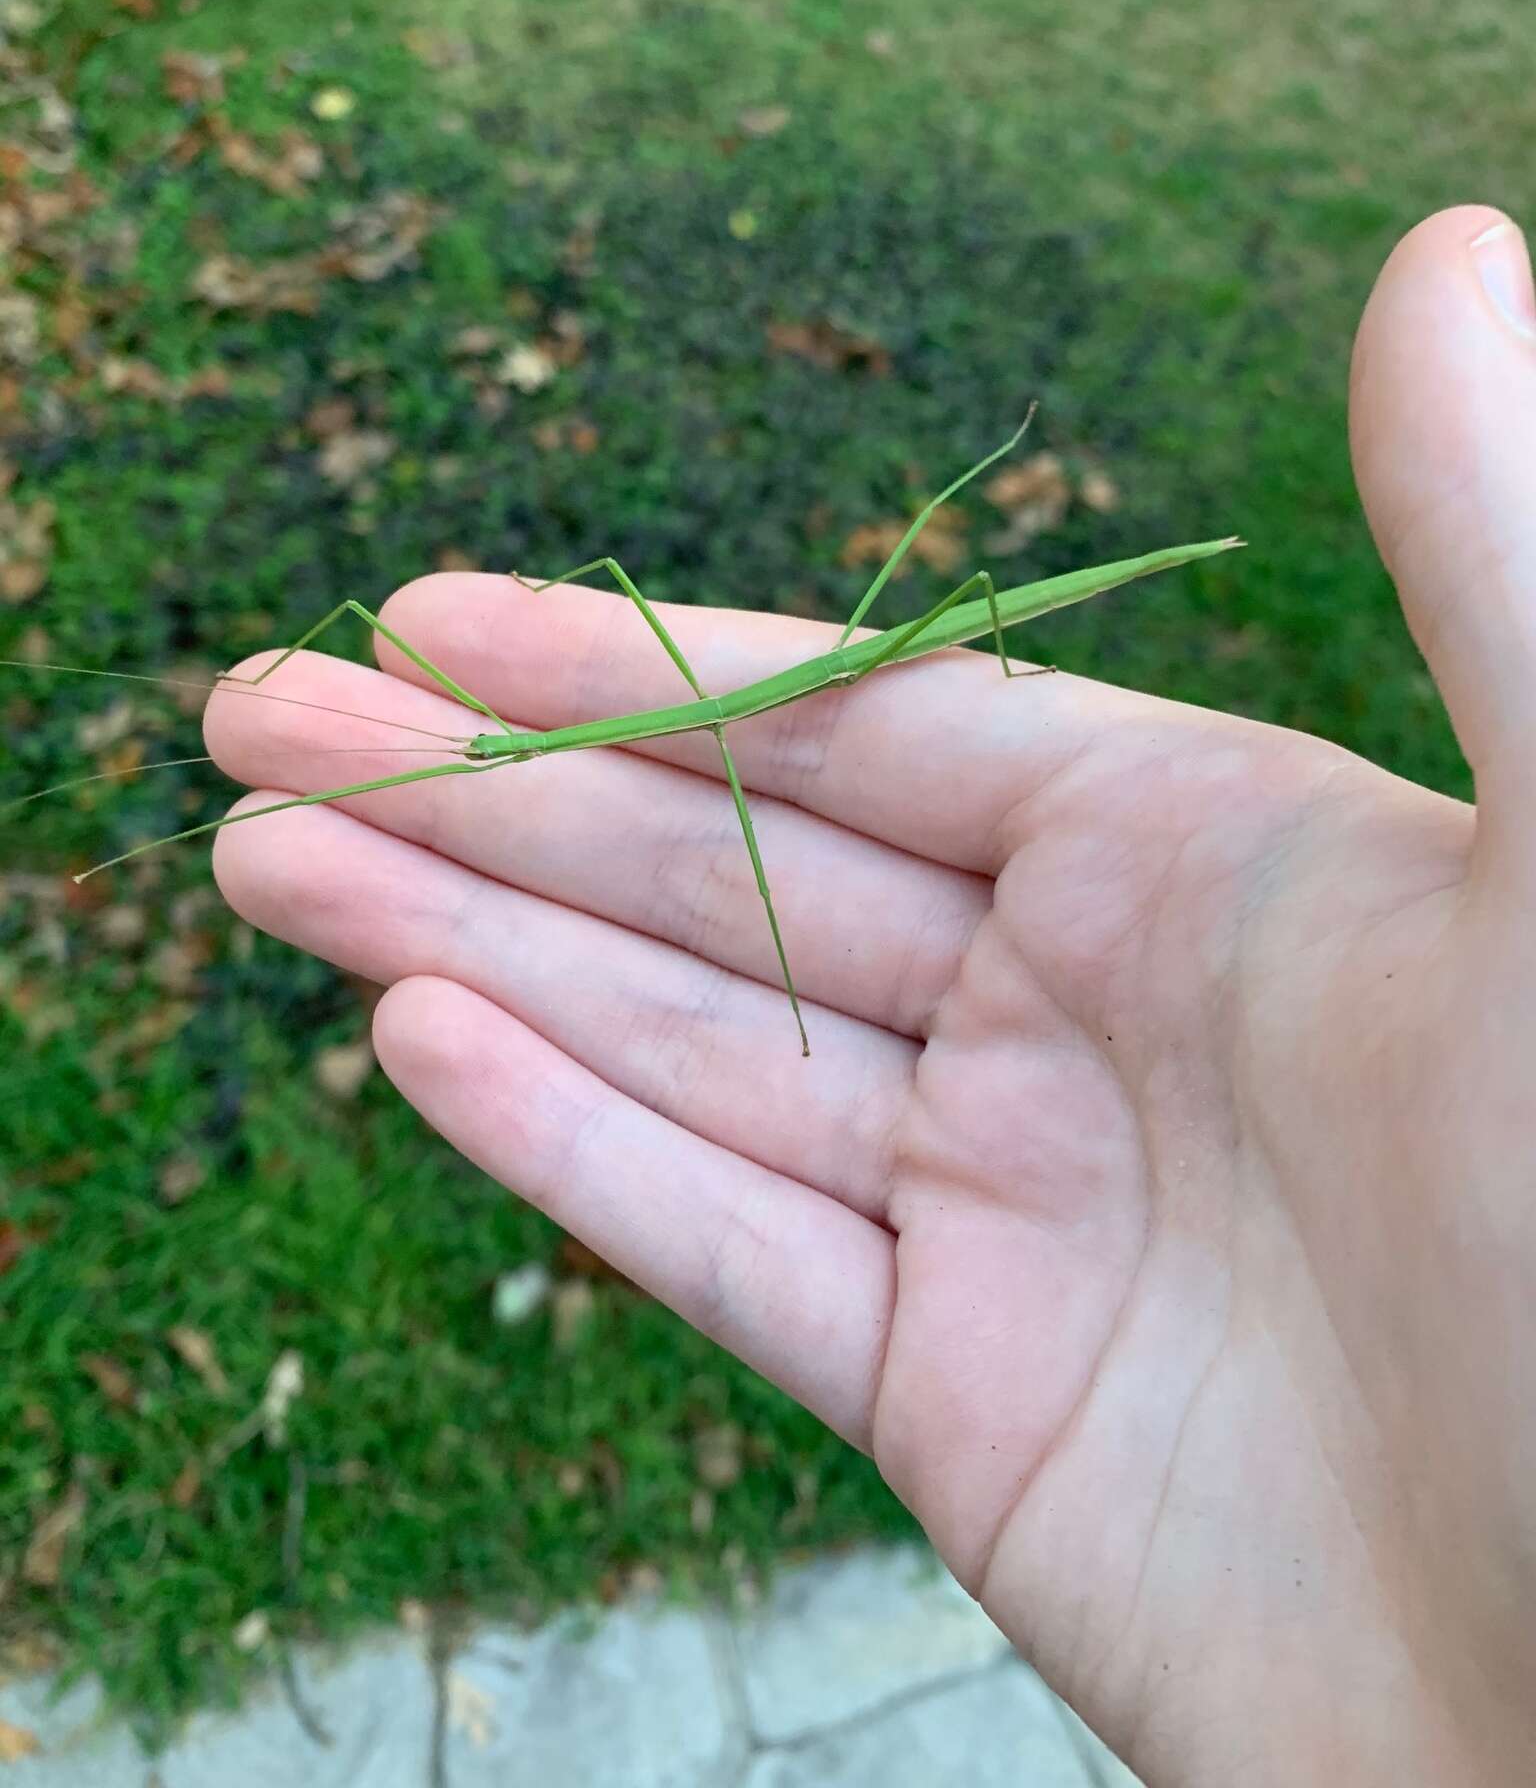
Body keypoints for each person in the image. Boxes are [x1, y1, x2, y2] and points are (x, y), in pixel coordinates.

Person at [205, 205, 1536, 1783]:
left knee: (875, 660)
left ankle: (995, 469)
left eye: (499, 754)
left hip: (913, 646)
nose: (497, 761)